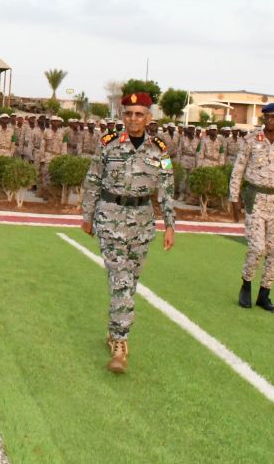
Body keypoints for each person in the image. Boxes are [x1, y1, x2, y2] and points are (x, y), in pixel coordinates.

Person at [80, 92, 175, 374]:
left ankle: (114, 331)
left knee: (130, 280)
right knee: (120, 277)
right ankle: (120, 344)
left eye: (138, 114)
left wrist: (170, 224)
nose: (133, 119)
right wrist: (87, 215)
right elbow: (93, 180)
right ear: (123, 117)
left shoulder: (160, 150)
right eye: (128, 114)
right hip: (110, 217)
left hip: (143, 221)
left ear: (149, 117)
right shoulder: (108, 145)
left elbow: (167, 187)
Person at [229, 103, 274, 313]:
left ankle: (264, 294)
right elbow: (238, 170)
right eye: (267, 117)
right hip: (256, 199)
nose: (270, 120)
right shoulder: (251, 140)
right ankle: (246, 283)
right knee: (257, 247)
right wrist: (234, 198)